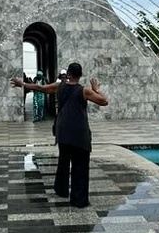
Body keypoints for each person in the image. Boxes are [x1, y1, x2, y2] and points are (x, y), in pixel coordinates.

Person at [12, 62, 108, 208]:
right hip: (79, 134)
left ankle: (61, 190)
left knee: (63, 161)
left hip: (63, 132)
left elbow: (41, 88)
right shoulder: (84, 91)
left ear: (68, 74)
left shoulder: (59, 86)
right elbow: (104, 101)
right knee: (80, 166)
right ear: (80, 75)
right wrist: (97, 89)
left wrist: (23, 84)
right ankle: (78, 200)